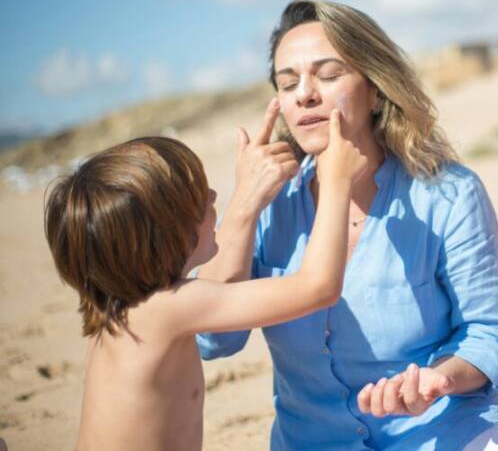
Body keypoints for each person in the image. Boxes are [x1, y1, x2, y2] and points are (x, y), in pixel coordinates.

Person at [196, 0, 498, 451]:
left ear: (375, 88)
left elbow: (487, 337)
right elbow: (214, 340)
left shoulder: (449, 194)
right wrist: (242, 207)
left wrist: (437, 381)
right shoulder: (267, 204)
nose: (304, 94)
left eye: (328, 74)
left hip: (444, 432)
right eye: (288, 83)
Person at [43, 114, 366, 451]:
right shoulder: (170, 308)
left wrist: (249, 198)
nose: (213, 196)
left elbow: (222, 286)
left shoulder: (125, 308)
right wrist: (336, 182)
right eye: (198, 200)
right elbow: (318, 287)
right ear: (164, 236)